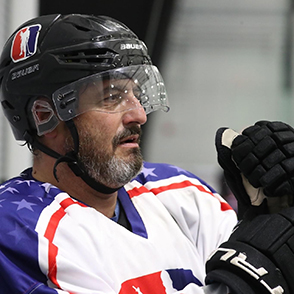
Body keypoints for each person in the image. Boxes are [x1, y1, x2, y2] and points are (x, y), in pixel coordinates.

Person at [0, 13, 293, 294]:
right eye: (112, 97)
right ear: (45, 117)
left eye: (137, 95)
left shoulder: (180, 190)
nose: (139, 114)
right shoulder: (17, 229)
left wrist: (268, 220)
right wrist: (250, 280)